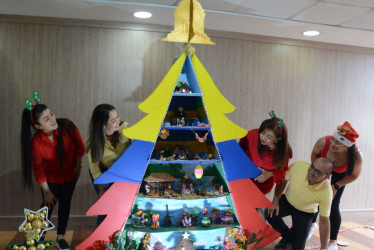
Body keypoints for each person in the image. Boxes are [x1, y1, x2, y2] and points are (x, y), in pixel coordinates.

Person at [21, 95, 85, 250]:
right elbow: (39, 170)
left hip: (70, 175)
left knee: (65, 204)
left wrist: (77, 166)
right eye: (46, 119)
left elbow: (80, 147)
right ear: (38, 126)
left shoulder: (67, 126)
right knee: (47, 206)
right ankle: (36, 236)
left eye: (51, 114)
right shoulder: (36, 143)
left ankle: (61, 237)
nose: (52, 119)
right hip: (50, 180)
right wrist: (47, 191)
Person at [308, 122, 362, 250]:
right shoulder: (323, 142)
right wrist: (318, 172)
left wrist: (336, 186)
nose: (333, 144)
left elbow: (354, 175)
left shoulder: (356, 156)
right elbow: (314, 155)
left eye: (338, 143)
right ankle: (311, 225)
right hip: (322, 168)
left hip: (340, 175)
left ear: (347, 147)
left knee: (333, 203)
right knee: (315, 197)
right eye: (333, 139)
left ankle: (332, 241)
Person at [266, 158, 334, 250]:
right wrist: (275, 200)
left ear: (327, 176)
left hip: (305, 212)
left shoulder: (326, 192)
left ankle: (291, 239)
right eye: (312, 167)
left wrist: (324, 248)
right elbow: (283, 180)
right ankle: (287, 237)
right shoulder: (298, 166)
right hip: (287, 201)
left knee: (298, 247)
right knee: (270, 213)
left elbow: (324, 221)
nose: (311, 172)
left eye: (318, 172)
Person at [86, 104, 132, 224]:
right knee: (106, 206)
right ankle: (100, 239)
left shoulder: (125, 128)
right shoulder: (93, 144)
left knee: (123, 206)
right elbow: (95, 171)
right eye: (113, 120)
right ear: (103, 125)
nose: (118, 121)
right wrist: (102, 190)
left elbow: (137, 147)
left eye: (118, 117)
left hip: (124, 174)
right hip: (104, 175)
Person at [239, 110, 293, 196]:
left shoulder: (284, 154)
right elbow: (241, 147)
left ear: (278, 139)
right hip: (244, 177)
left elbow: (283, 172)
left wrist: (269, 173)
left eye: (269, 137)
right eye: (263, 133)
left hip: (263, 186)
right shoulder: (253, 135)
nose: (263, 138)